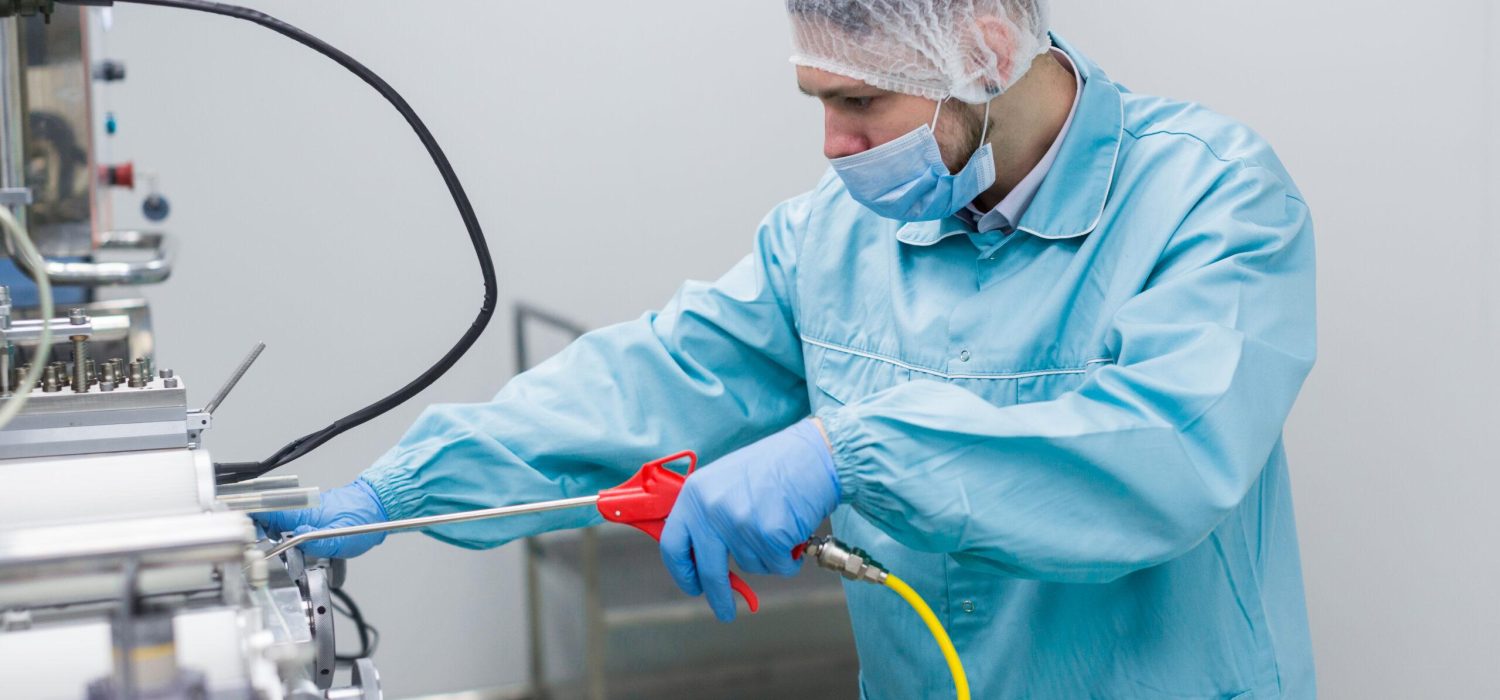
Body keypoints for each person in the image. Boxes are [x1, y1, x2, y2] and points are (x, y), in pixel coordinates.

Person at [259, 1, 1317, 697]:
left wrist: (847, 453)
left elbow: (1165, 454)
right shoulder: (833, 236)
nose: (833, 144)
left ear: (989, 51)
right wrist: (408, 486)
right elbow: (656, 379)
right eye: (821, 101)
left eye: (862, 101)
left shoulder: (1214, 200)